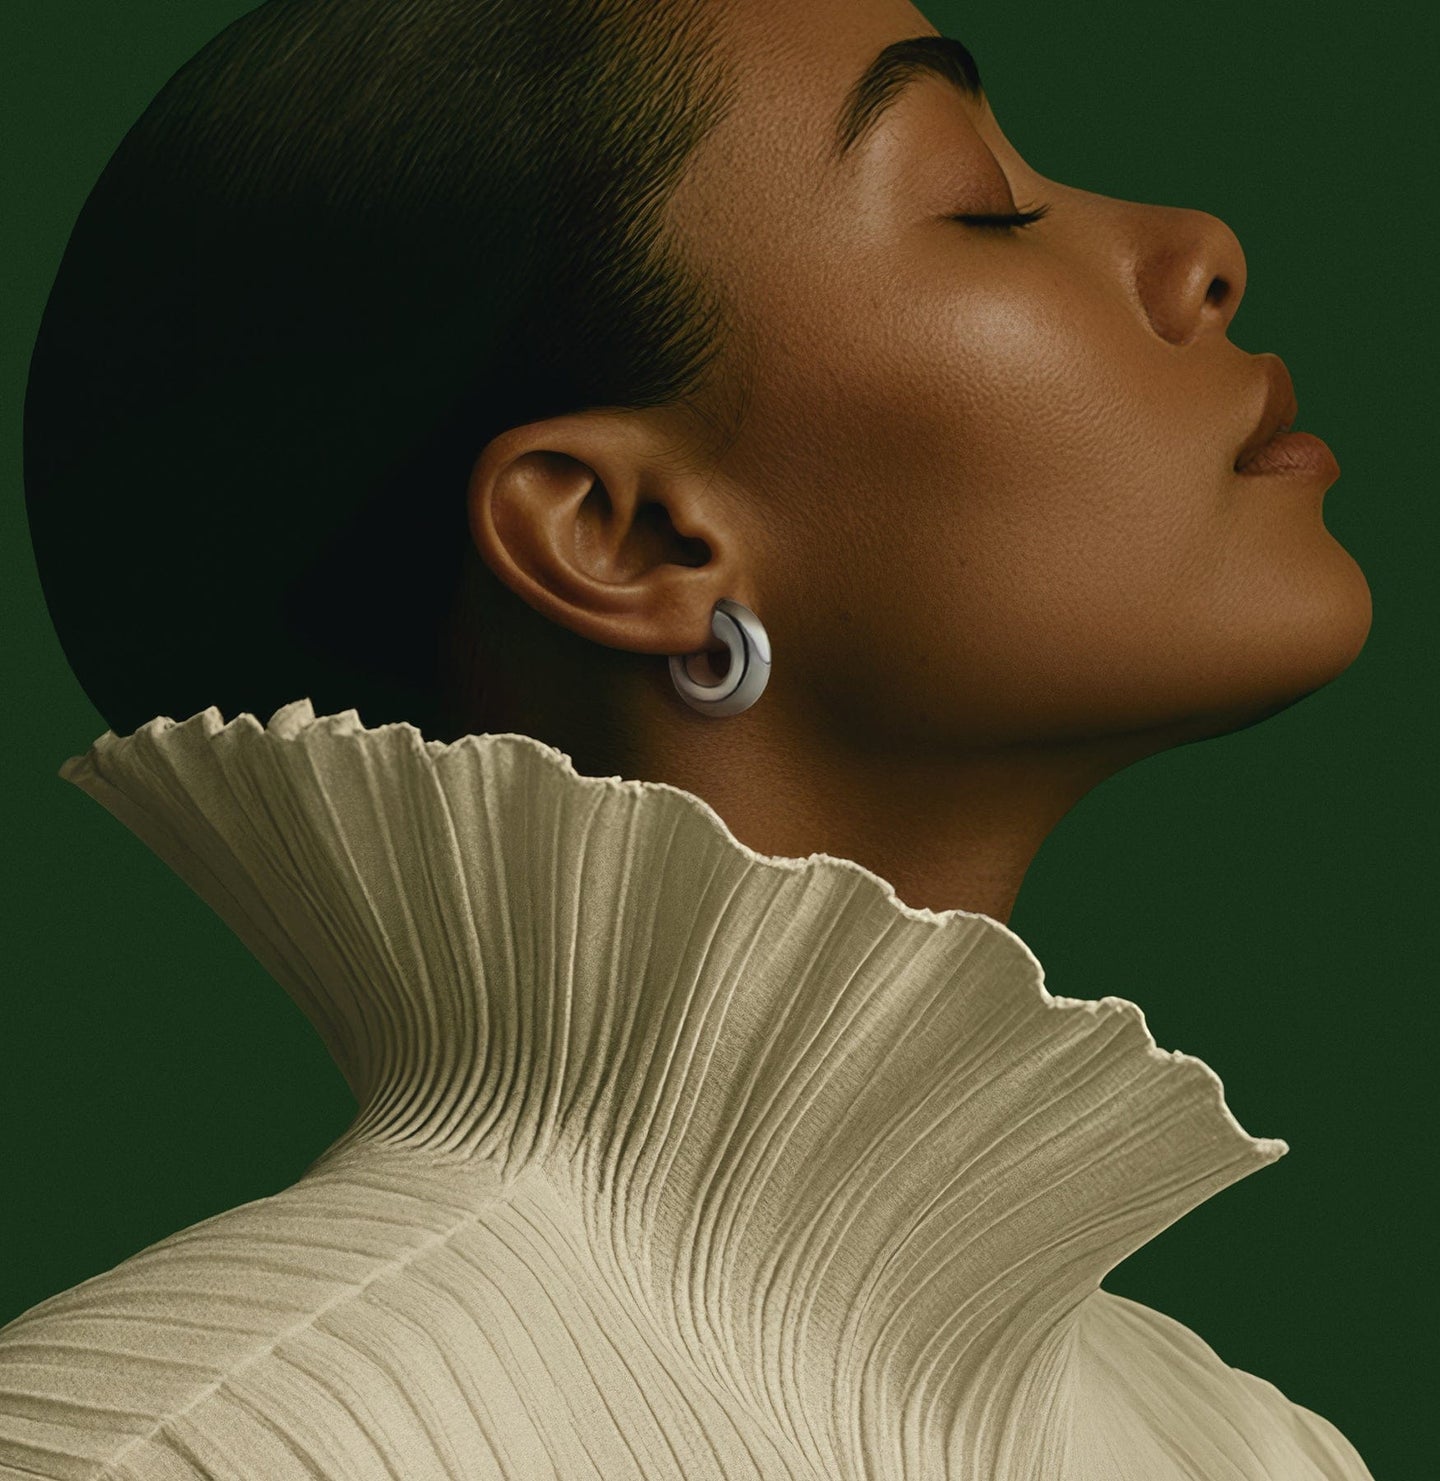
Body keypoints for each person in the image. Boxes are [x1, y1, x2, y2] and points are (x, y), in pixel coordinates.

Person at [1, 0, 1375, 1476]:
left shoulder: (1252, 1445)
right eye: (984, 205)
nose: (1199, 250)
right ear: (630, 536)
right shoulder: (190, 1446)